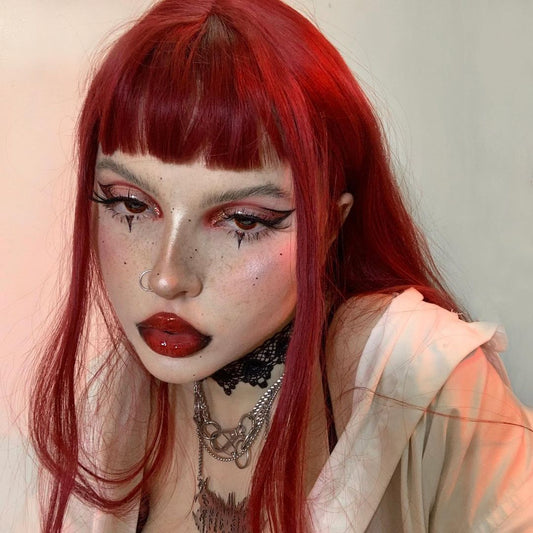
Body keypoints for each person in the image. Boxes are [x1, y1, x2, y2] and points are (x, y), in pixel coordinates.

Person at [29, 0, 532, 531]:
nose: (166, 277)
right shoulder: (111, 405)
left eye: (243, 220)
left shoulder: (421, 381)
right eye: (131, 205)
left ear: (330, 223)